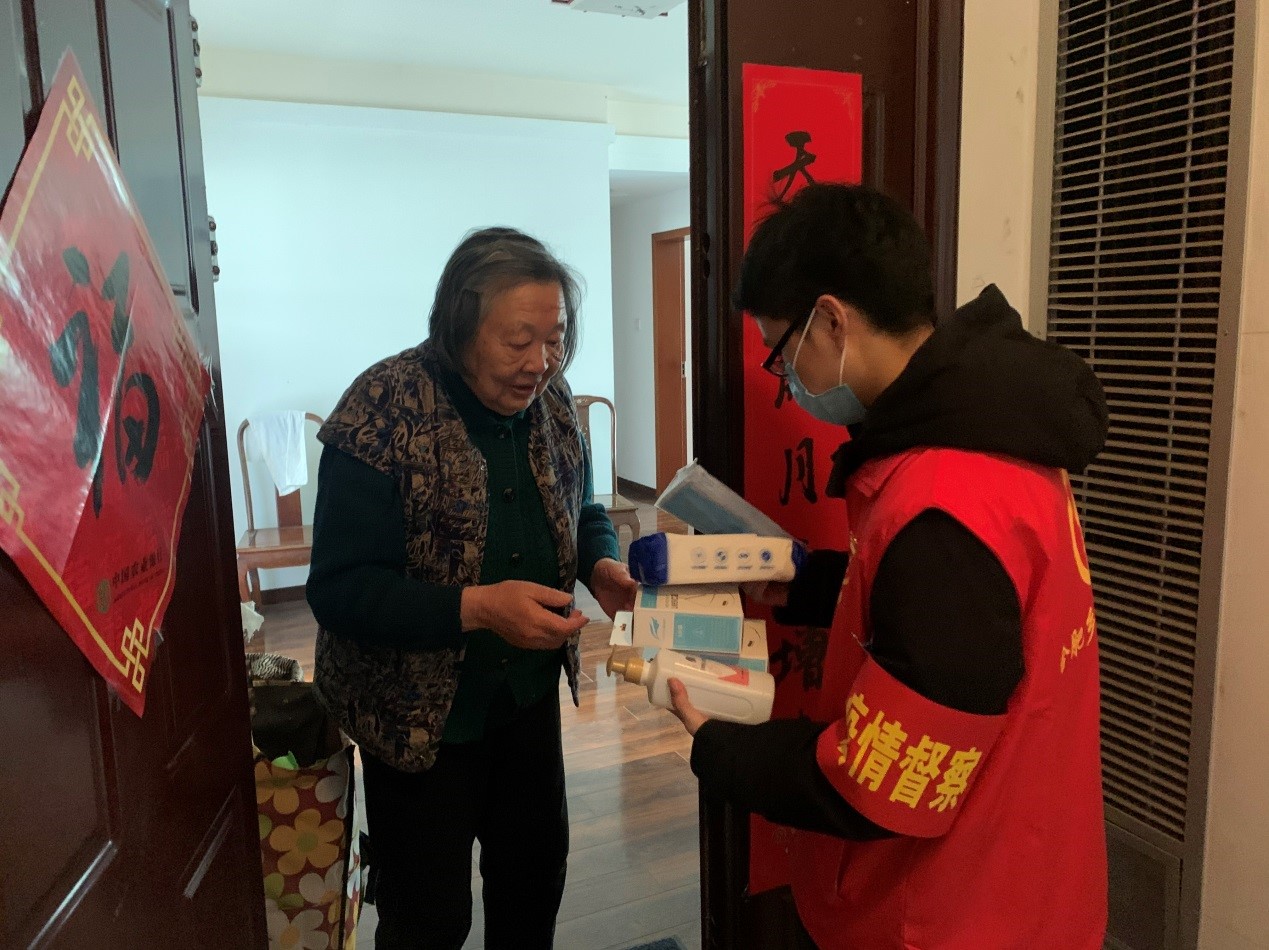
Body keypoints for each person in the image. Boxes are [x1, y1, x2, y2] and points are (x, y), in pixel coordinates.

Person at [667, 183, 1110, 948]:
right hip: (1030, 865)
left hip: (950, 912)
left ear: (831, 320)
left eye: (780, 351)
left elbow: (883, 784)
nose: (786, 379)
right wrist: (808, 586)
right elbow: (953, 625)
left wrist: (719, 745)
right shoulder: (998, 433)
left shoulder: (944, 499)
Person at [306, 227, 637, 950]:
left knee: (532, 881)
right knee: (428, 915)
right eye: (519, 341)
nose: (540, 363)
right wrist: (478, 608)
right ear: (458, 326)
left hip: (524, 701)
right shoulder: (382, 409)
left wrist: (600, 566)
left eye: (554, 339)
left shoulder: (551, 399)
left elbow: (579, 506)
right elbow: (338, 589)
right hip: (417, 722)